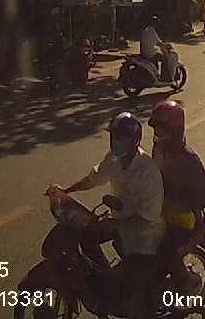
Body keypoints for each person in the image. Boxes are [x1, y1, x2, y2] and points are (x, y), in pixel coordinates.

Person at [47, 113, 165, 319]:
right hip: (118, 220)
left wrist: (118, 224)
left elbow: (150, 215)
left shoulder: (147, 170)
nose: (115, 142)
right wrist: (66, 190)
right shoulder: (113, 158)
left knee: (134, 297)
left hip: (145, 229)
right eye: (113, 137)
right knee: (86, 235)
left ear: (134, 141)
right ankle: (105, 282)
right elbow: (93, 179)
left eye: (120, 138)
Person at [148, 100, 205, 292]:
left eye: (162, 130)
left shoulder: (188, 159)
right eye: (156, 130)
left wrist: (178, 204)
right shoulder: (159, 150)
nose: (157, 134)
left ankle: (185, 282)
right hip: (160, 210)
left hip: (185, 218)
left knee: (163, 244)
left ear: (175, 130)